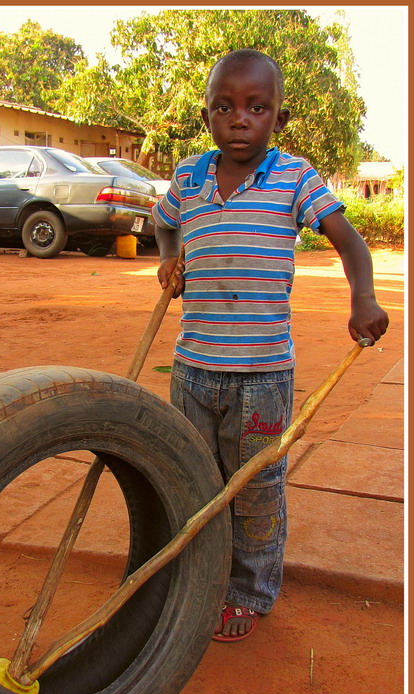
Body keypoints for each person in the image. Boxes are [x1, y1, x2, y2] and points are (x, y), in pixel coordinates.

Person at [152, 48, 389, 642]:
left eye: (256, 108)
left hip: (261, 377)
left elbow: (350, 242)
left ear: (277, 119)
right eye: (225, 107)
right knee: (191, 478)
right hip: (192, 368)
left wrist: (363, 298)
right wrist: (166, 259)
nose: (240, 119)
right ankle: (194, 579)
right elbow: (162, 222)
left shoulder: (292, 178)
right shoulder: (187, 178)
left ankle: (249, 590)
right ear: (207, 115)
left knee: (256, 486)